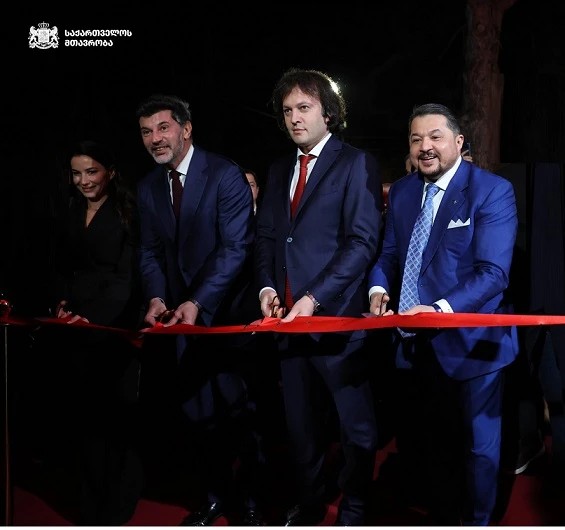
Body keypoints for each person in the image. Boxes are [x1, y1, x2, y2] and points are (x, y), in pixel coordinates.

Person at [367, 102, 519, 525]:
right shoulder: (402, 192)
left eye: (435, 136)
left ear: (458, 141)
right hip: (414, 345)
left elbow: (493, 274)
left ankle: (479, 522)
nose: (425, 146)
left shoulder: (491, 190)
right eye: (416, 139)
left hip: (474, 347)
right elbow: (389, 254)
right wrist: (378, 287)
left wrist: (438, 310)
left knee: (478, 449)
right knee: (430, 443)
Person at [255, 67, 383, 526]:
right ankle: (310, 506)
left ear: (328, 113)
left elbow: (362, 242)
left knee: (356, 431)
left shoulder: (356, 163)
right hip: (287, 326)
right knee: (301, 430)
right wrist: (268, 288)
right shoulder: (278, 170)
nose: (294, 117)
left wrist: (313, 298)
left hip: (337, 321)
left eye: (304, 107)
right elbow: (268, 239)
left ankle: (355, 508)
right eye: (287, 110)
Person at [135, 94, 265, 526]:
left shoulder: (224, 174)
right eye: (146, 131)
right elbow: (150, 252)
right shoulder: (148, 187)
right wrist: (157, 297)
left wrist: (198, 300)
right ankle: (214, 497)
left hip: (225, 316)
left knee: (240, 412)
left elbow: (236, 248)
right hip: (179, 323)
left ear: (186, 129)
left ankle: (251, 501)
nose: (155, 138)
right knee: (196, 413)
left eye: (163, 127)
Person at [37, 139, 144, 525]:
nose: (83, 180)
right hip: (74, 330)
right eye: (76, 173)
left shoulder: (128, 211)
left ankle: (117, 506)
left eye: (91, 171)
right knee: (82, 420)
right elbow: (61, 265)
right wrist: (62, 302)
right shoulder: (69, 209)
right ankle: (88, 504)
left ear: (110, 172)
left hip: (113, 328)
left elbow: (126, 278)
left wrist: (94, 318)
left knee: (113, 420)